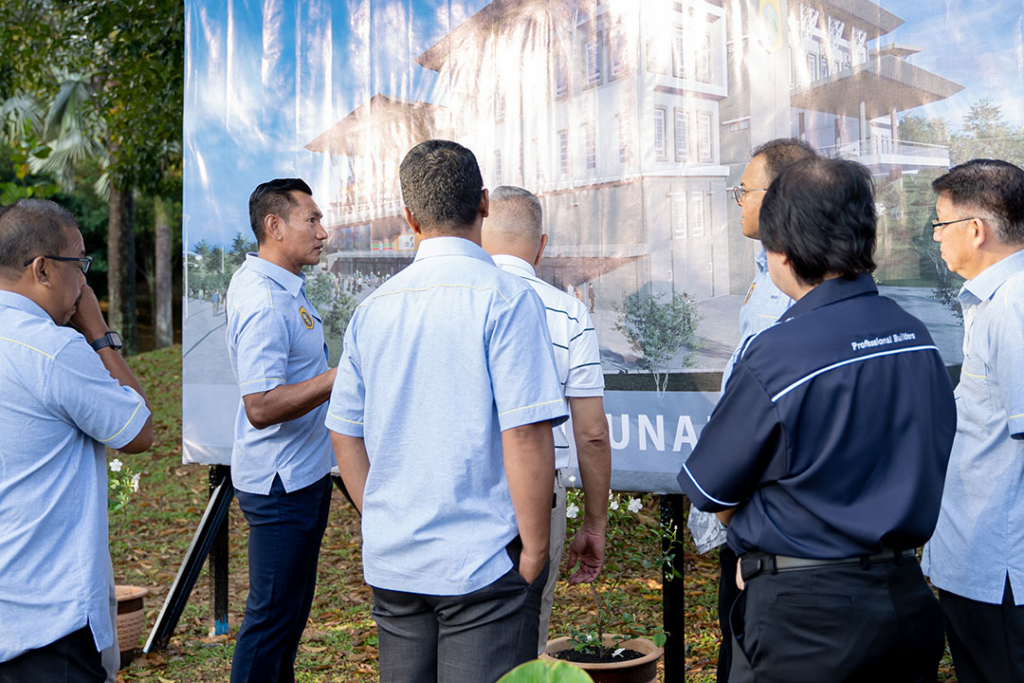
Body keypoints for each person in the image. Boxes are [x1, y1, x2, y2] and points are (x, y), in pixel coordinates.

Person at [679, 157, 956, 683]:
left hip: (807, 621)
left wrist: (770, 545)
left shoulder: (779, 353)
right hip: (904, 600)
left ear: (782, 249)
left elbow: (713, 491)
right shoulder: (914, 336)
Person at [326, 140, 568, 683]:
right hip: (485, 563)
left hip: (397, 561)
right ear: (483, 203)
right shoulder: (507, 298)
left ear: (409, 218)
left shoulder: (372, 310)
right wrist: (535, 549)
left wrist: (382, 517)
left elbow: (345, 435)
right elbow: (526, 433)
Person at [0, 199, 153, 683]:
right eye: (79, 263)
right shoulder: (51, 347)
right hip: (48, 619)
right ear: (43, 269)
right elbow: (138, 431)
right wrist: (98, 332)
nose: (84, 282)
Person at [687, 137, 815, 683]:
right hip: (750, 515)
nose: (737, 201)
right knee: (736, 642)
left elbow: (778, 412)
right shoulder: (767, 273)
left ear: (782, 195)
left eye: (745, 190)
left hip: (769, 519)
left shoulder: (798, 284)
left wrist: (736, 517)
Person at [481, 185, 612, 654]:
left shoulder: (454, 300)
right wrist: (594, 523)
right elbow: (592, 434)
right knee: (527, 636)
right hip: (538, 495)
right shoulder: (569, 313)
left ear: (478, 235)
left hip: (458, 487)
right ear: (541, 246)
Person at [225, 178, 337, 683]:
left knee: (287, 621)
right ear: (274, 226)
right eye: (311, 220)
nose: (322, 232)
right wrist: (340, 377)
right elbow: (262, 405)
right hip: (279, 486)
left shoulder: (282, 285)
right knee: (271, 623)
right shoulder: (265, 301)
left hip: (301, 476)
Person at [921, 159, 1024, 683]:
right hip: (981, 562)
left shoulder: (1013, 305)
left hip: (1000, 569)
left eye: (941, 223)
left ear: (976, 229)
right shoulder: (996, 300)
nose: (936, 237)